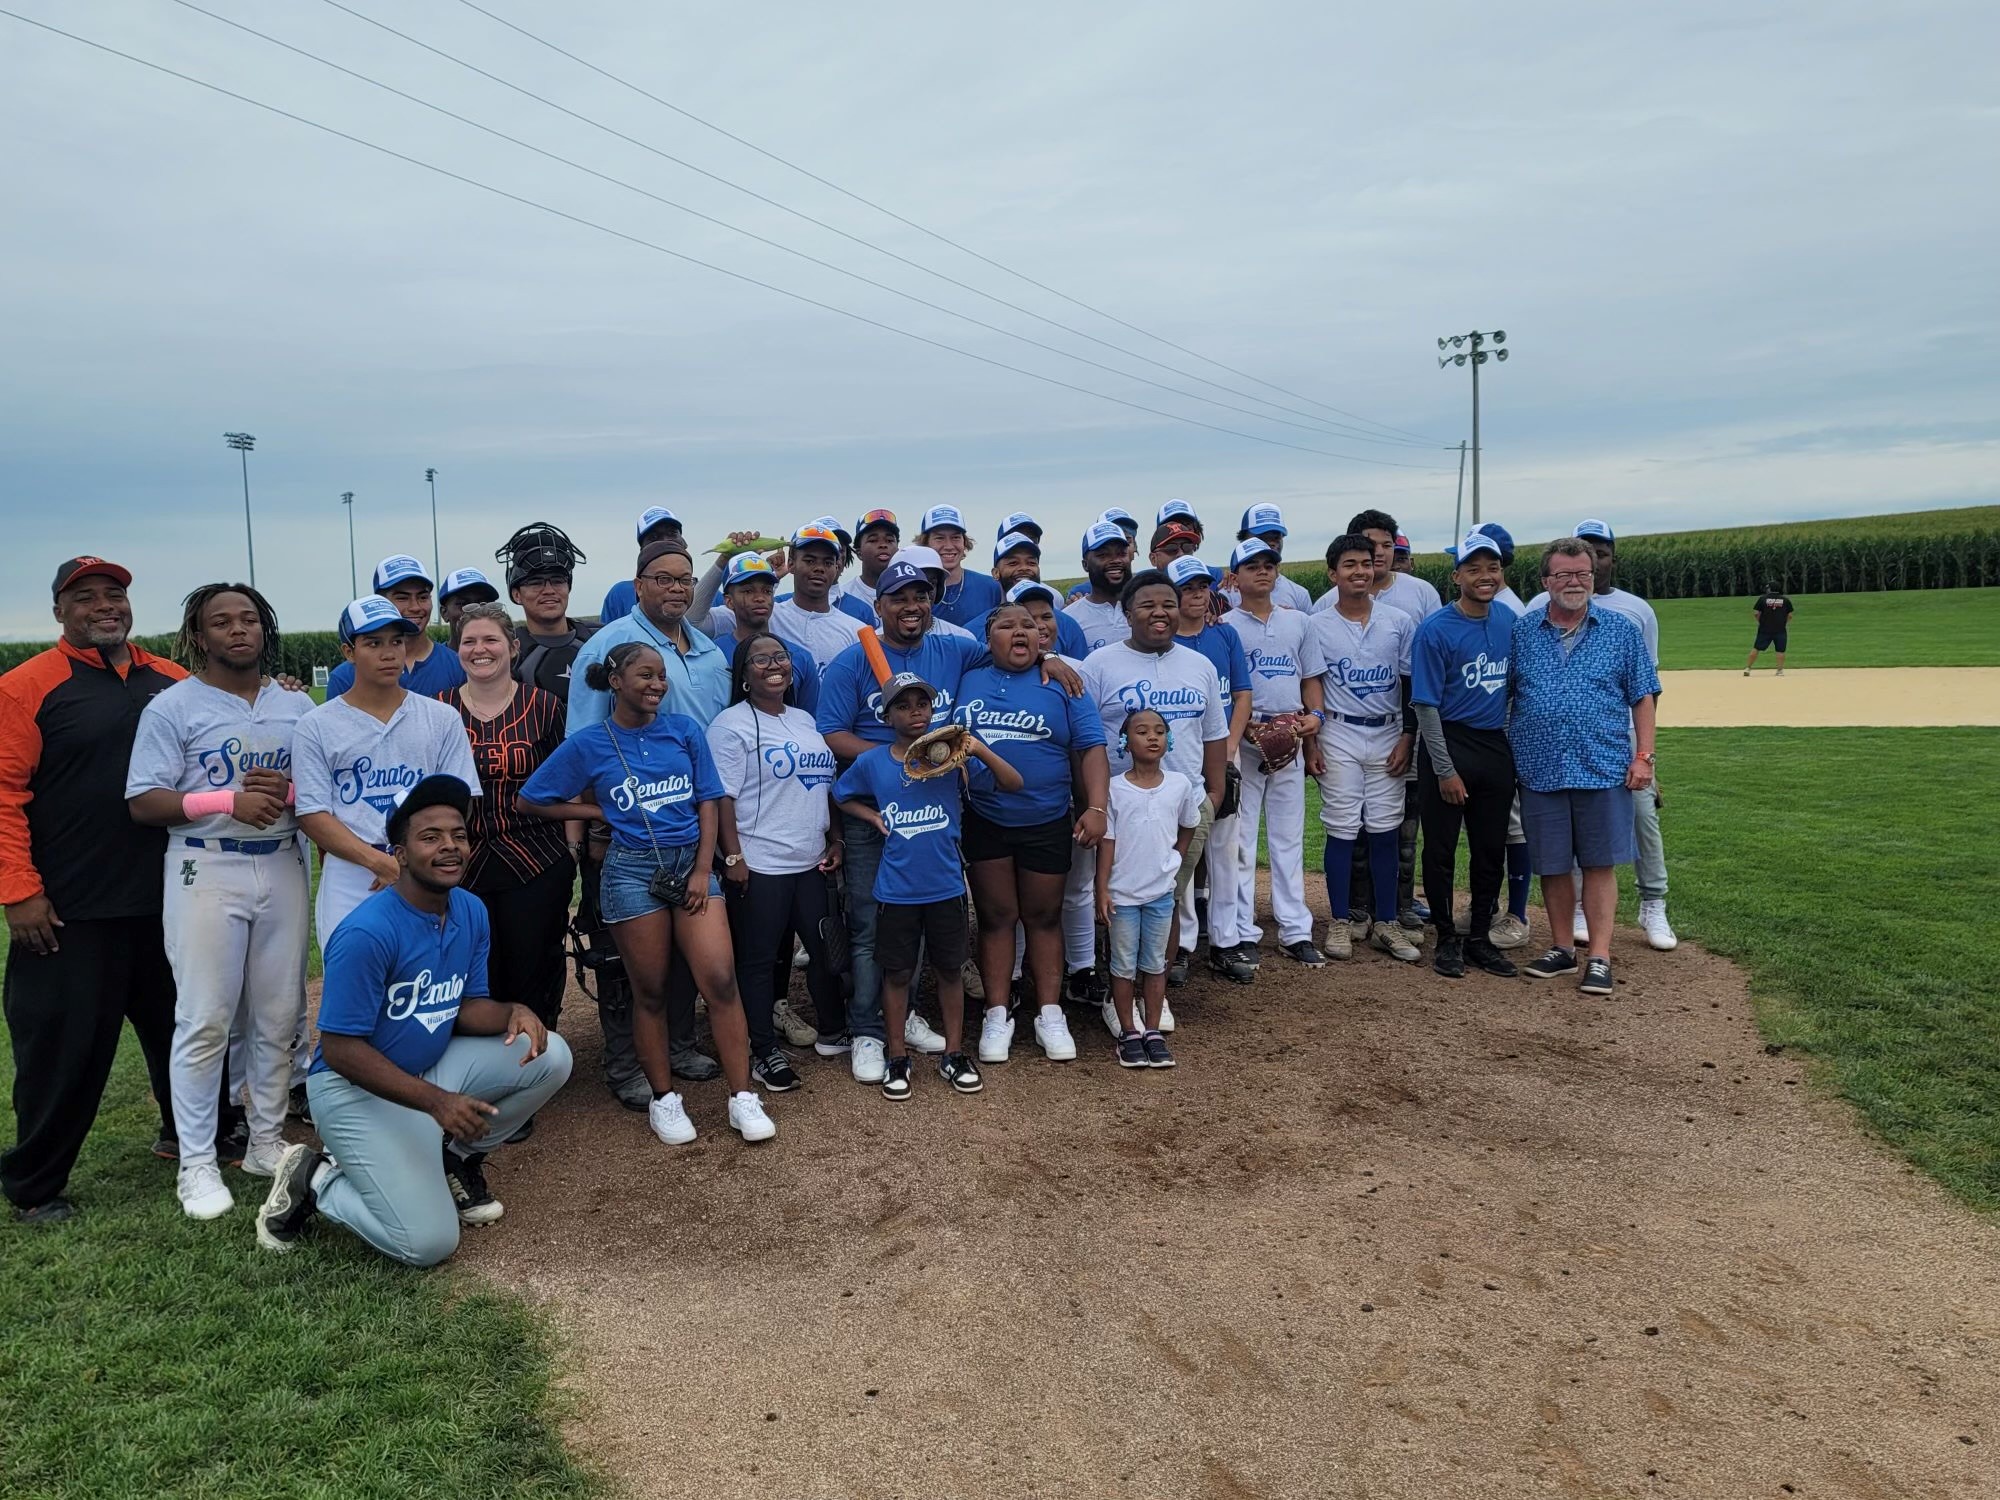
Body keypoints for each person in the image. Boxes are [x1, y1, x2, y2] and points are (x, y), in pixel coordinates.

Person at [252, 775, 573, 1263]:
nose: (450, 847)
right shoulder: (367, 931)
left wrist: (515, 1011)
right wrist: (437, 1103)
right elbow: (340, 1050)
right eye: (430, 837)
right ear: (399, 854)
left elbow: (465, 1006)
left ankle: (454, 1159)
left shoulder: (469, 909)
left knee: (550, 1055)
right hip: (353, 1092)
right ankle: (315, 1179)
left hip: (427, 1070)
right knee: (428, 1243)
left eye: (458, 835)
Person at [519, 642, 776, 1144]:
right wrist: (597, 815)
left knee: (720, 981)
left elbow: (708, 799)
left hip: (691, 867)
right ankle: (664, 1099)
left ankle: (743, 1096)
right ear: (615, 681)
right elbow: (532, 800)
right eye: (646, 675)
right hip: (631, 873)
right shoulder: (591, 743)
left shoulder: (683, 731)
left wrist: (706, 869)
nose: (658, 684)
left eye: (662, 676)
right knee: (651, 990)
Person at [1, 557, 186, 1225]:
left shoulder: (171, 680)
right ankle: (35, 1184)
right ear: (59, 610)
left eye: (115, 595)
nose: (104, 606)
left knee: (185, 1032)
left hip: (170, 900)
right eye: (85, 598)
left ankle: (189, 1136)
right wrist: (19, 892)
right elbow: (3, 796)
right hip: (70, 910)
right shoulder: (27, 688)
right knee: (61, 1049)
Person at [125, 582, 311, 1219]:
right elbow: (144, 801)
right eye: (222, 622)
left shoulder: (295, 705)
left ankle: (263, 1142)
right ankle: (198, 1163)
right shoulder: (174, 706)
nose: (239, 630)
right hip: (206, 869)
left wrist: (284, 794)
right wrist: (224, 800)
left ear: (265, 629)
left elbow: (315, 789)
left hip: (282, 865)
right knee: (205, 1019)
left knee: (278, 1016)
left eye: (250, 619)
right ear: (199, 636)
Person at [834, 673, 1023, 1099]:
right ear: (886, 716)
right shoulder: (874, 761)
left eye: (922, 703)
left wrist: (977, 749)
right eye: (903, 705)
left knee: (950, 971)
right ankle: (897, 1056)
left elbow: (1013, 783)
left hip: (946, 887)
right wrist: (871, 818)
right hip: (896, 891)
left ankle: (953, 1054)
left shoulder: (950, 758)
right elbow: (841, 793)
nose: (915, 712)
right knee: (898, 973)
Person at [957, 602, 1110, 1066]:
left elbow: (1091, 748)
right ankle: (998, 1012)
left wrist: (1097, 807)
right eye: (1007, 625)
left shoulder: (1064, 683)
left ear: (1045, 639)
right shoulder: (967, 675)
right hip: (984, 815)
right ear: (989, 637)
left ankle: (1049, 1012)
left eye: (1031, 625)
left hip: (1045, 816)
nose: (1021, 631)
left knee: (1044, 917)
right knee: (997, 915)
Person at [1510, 539, 1661, 996]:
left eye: (1583, 574)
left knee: (1598, 864)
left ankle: (1599, 955)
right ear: (1545, 582)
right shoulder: (1523, 632)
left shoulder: (1620, 630)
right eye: (1564, 575)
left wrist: (1644, 756)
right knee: (1553, 866)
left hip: (1603, 763)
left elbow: (1644, 695)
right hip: (1540, 767)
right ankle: (1561, 947)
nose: (1574, 583)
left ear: (1593, 579)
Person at [295, 596, 484, 953]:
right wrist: (379, 862)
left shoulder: (440, 717)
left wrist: (416, 859)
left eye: (396, 641)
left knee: (427, 985)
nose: (389, 653)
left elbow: (461, 800)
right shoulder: (316, 725)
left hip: (424, 867)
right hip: (352, 873)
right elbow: (312, 813)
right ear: (349, 652)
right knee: (354, 983)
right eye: (373, 643)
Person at [1078, 571, 1229, 997]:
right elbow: (1084, 737)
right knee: (1119, 902)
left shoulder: (1199, 665)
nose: (1160, 613)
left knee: (1167, 899)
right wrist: (1091, 801)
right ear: (1127, 614)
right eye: (1147, 605)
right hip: (1119, 805)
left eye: (1168, 603)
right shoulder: (1100, 665)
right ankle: (1118, 991)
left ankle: (1153, 993)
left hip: (1183, 805)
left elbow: (1214, 735)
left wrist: (1213, 796)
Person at [707, 633, 845, 1090]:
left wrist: (835, 837)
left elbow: (825, 784)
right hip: (760, 860)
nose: (774, 665)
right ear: (743, 676)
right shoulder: (730, 725)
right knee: (759, 960)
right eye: (761, 659)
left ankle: (833, 1031)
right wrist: (732, 856)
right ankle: (762, 1050)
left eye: (780, 657)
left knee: (826, 950)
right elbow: (721, 797)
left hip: (811, 858)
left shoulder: (805, 718)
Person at [441, 603, 574, 1034]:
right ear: (457, 649)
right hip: (463, 864)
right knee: (476, 970)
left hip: (534, 857)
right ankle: (485, 1065)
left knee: (535, 963)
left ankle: (537, 1059)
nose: (480, 649)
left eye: (491, 639)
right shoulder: (437, 710)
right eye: (469, 641)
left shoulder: (545, 706)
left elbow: (568, 781)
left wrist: (571, 849)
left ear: (512, 648)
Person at [1410, 533, 1520, 980]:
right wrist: (1445, 769)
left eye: (1491, 568)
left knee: (1490, 849)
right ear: (1457, 576)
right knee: (1439, 850)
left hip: (1493, 744)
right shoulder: (1436, 628)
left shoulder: (1510, 622)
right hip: (1448, 742)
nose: (1484, 576)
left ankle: (1478, 937)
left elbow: (1514, 692)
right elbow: (1425, 706)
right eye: (1473, 568)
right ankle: (1445, 938)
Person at [1212, 540, 1325, 969]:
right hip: (1244, 735)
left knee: (1287, 837)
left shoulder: (1299, 622)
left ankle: (1295, 929)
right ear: (1234, 576)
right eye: (1252, 566)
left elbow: (1311, 678)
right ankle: (1244, 929)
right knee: (1240, 841)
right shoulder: (1224, 626)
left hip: (1290, 731)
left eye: (1269, 565)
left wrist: (1315, 719)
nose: (1262, 572)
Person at [1307, 535, 1420, 962]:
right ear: (1333, 573)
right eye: (1350, 564)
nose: (1360, 571)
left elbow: (1409, 683)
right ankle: (1339, 920)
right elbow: (1312, 684)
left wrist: (1409, 736)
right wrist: (1312, 741)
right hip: (1339, 731)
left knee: (1385, 828)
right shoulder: (1315, 624)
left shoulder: (1397, 621)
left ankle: (1386, 922)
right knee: (1341, 826)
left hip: (1389, 730)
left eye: (1367, 564)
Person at [1162, 556, 1253, 982]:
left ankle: (1226, 940)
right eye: (1188, 588)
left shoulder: (1226, 635)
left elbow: (1241, 696)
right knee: (1179, 852)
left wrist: (1229, 751)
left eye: (1203, 587)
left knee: (1224, 850)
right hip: (1178, 762)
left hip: (1220, 756)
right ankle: (1181, 945)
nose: (1197, 594)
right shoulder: (1165, 647)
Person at [1096, 707, 1200, 1069]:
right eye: (1142, 731)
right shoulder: (1113, 788)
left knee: (1156, 964)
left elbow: (1189, 823)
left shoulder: (1179, 785)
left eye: (1159, 731)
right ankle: (1128, 1032)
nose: (1152, 737)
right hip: (1123, 895)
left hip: (1159, 893)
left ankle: (1152, 1030)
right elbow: (1106, 842)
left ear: (1169, 740)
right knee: (1123, 965)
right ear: (1125, 742)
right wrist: (1102, 888)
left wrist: (1176, 856)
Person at [569, 539, 731, 736]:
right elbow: (583, 739)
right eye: (664, 579)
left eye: (685, 580)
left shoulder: (711, 652)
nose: (677, 588)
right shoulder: (603, 647)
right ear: (639, 587)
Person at [324, 556, 467, 700]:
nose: (415, 607)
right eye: (402, 598)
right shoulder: (344, 677)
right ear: (381, 601)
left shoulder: (458, 666)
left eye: (423, 597)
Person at [703, 552, 822, 712]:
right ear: (729, 601)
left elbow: (810, 720)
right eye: (748, 591)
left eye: (767, 591)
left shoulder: (800, 656)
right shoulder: (712, 654)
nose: (760, 598)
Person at [497, 523, 598, 703]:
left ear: (569, 588)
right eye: (536, 582)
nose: (549, 590)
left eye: (558, 581)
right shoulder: (506, 651)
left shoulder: (600, 639)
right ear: (516, 594)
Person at [965, 529, 1093, 659]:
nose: (1024, 568)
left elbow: (1080, 671)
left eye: (1031, 563)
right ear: (995, 573)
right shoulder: (974, 630)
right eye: (1013, 563)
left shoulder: (1067, 625)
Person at [915, 505, 1002, 628]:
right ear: (925, 543)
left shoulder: (991, 587)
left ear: (964, 542)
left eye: (956, 538)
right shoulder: (914, 589)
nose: (949, 546)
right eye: (939, 538)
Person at [599, 506, 684, 624]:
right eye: (653, 537)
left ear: (684, 542)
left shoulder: (709, 595)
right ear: (642, 551)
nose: (665, 541)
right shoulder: (620, 594)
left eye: (672, 533)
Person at [1065, 520, 1136, 653]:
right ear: (1085, 565)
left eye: (1121, 554)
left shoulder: (1146, 608)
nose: (1115, 561)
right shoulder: (1070, 618)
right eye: (1103, 555)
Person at [1233, 504, 1316, 610]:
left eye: (1276, 538)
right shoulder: (1228, 593)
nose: (1271, 543)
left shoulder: (1299, 594)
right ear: (1243, 539)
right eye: (1262, 538)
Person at [844, 509, 900, 611]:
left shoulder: (911, 593)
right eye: (873, 540)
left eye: (889, 540)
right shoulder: (843, 596)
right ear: (859, 552)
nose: (883, 545)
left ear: (898, 549)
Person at [1747, 581, 1793, 676]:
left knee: (1756, 648)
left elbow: (1756, 613)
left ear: (1770, 589)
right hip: (1780, 629)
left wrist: (1761, 622)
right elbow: (1790, 615)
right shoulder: (1785, 600)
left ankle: (1748, 668)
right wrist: (1783, 623)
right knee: (1780, 650)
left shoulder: (1763, 599)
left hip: (1765, 629)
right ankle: (1779, 671)